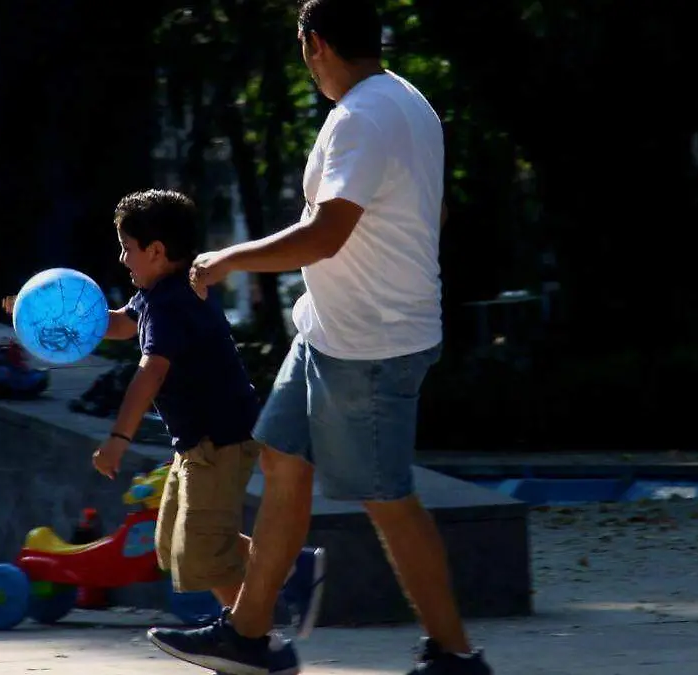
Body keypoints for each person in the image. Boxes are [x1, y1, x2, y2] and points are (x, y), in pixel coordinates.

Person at [144, 2, 493, 675]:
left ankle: (455, 654)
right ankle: (249, 634)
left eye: (302, 48)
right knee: (282, 457)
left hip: (369, 345)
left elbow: (326, 232)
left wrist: (227, 259)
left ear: (316, 44)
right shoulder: (406, 101)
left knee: (387, 497)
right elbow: (433, 209)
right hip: (328, 331)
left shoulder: (363, 117)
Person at [2, 189, 325, 655]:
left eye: (127, 247)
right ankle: (277, 595)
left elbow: (150, 372)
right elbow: (116, 324)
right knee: (174, 543)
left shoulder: (173, 304)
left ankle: (255, 634)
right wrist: (41, 315)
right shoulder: (155, 295)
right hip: (198, 443)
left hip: (219, 440)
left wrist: (118, 438)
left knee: (198, 551)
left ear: (156, 251)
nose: (121, 257)